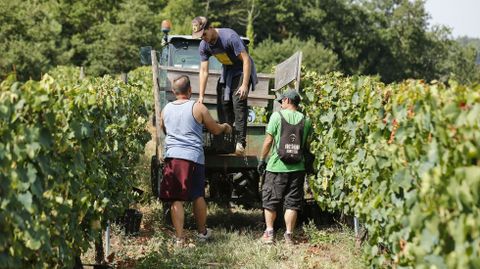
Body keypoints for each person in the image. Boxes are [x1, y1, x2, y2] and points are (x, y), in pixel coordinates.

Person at [159, 75, 232, 246]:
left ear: (174, 91)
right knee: (197, 195)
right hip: (193, 158)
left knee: (176, 198)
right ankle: (202, 233)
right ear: (190, 90)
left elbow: (164, 129)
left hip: (172, 157)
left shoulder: (165, 109)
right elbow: (214, 129)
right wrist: (225, 127)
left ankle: (179, 237)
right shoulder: (198, 108)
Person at [191, 16, 258, 156]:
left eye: (204, 34)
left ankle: (240, 142)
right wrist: (201, 96)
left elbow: (246, 60)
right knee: (222, 103)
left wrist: (245, 85)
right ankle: (226, 143)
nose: (203, 38)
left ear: (210, 27)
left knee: (238, 100)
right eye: (200, 36)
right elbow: (204, 71)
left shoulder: (229, 37)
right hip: (227, 72)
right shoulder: (204, 45)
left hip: (242, 70)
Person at [257, 89, 312, 245]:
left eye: (282, 101)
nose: (281, 104)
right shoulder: (306, 120)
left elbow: (268, 141)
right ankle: (288, 235)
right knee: (292, 203)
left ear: (288, 100)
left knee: (270, 201)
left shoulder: (277, 116)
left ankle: (269, 233)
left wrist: (262, 159)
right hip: (297, 168)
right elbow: (306, 145)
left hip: (276, 167)